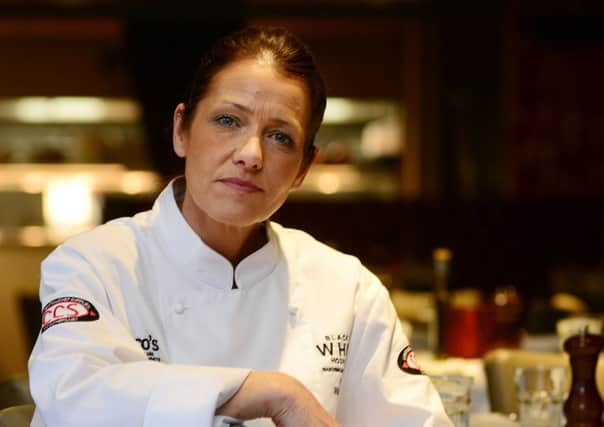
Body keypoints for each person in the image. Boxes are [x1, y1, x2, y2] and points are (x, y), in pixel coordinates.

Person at [28, 27, 452, 427]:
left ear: (304, 168)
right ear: (181, 130)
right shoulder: (93, 264)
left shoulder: (347, 288)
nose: (251, 154)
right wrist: (268, 392)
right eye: (228, 121)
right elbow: (72, 398)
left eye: (280, 137)